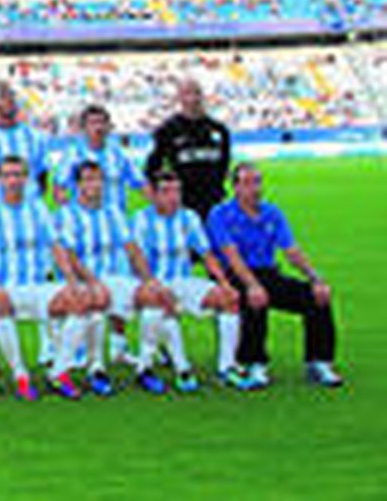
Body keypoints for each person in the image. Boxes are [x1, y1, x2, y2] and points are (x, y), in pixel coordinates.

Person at [208, 162, 342, 388]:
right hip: (235, 275)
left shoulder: (272, 212)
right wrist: (251, 285)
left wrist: (316, 279)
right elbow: (231, 255)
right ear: (235, 187)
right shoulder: (220, 214)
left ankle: (319, 362)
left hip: (268, 272)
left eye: (258, 181)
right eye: (248, 183)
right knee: (255, 301)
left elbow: (291, 251)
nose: (255, 188)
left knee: (316, 298)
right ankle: (253, 363)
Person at [126, 169, 246, 395]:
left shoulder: (189, 217)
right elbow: (137, 258)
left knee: (230, 299)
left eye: (177, 191)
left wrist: (223, 282)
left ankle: (227, 367)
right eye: (166, 191)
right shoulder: (141, 219)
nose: (173, 197)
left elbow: (206, 254)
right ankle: (181, 369)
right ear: (152, 194)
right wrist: (153, 284)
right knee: (162, 303)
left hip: (184, 280)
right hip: (152, 283)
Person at [0, 155, 58, 402]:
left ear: (26, 178)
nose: (13, 180)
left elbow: (55, 245)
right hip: (5, 286)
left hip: (37, 285)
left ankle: (61, 370)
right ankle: (20, 372)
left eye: (18, 174)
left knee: (82, 303)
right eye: (7, 175)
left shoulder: (39, 209)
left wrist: (71, 282)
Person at [50, 161, 134, 399]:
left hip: (113, 278)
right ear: (77, 186)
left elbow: (131, 246)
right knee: (94, 303)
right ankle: (95, 367)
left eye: (98, 179)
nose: (94, 185)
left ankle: (149, 365)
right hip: (85, 281)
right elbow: (68, 254)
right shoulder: (67, 215)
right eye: (88, 180)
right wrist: (92, 281)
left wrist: (148, 279)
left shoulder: (114, 212)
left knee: (156, 299)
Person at [146, 79, 232, 223]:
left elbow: (224, 166)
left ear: (203, 96)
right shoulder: (167, 130)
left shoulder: (219, 130)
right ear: (179, 98)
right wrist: (162, 198)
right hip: (182, 206)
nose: (192, 99)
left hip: (214, 205)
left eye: (197, 93)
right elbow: (152, 168)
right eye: (187, 93)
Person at [55, 104, 145, 209]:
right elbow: (59, 189)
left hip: (115, 221)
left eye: (102, 122)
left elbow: (141, 184)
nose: (98, 127)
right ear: (84, 128)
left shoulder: (119, 154)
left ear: (108, 127)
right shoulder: (73, 154)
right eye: (93, 123)